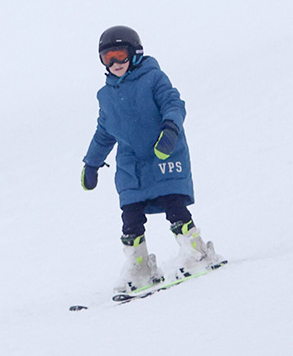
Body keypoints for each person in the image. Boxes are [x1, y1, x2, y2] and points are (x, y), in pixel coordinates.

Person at [80, 26, 221, 295]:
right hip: (131, 166)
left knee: (173, 205)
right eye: (108, 58)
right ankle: (140, 266)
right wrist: (92, 163)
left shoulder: (153, 78)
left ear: (135, 54)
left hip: (163, 152)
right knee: (130, 217)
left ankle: (197, 252)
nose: (115, 63)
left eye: (120, 55)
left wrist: (170, 129)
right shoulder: (106, 96)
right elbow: (104, 132)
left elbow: (173, 104)